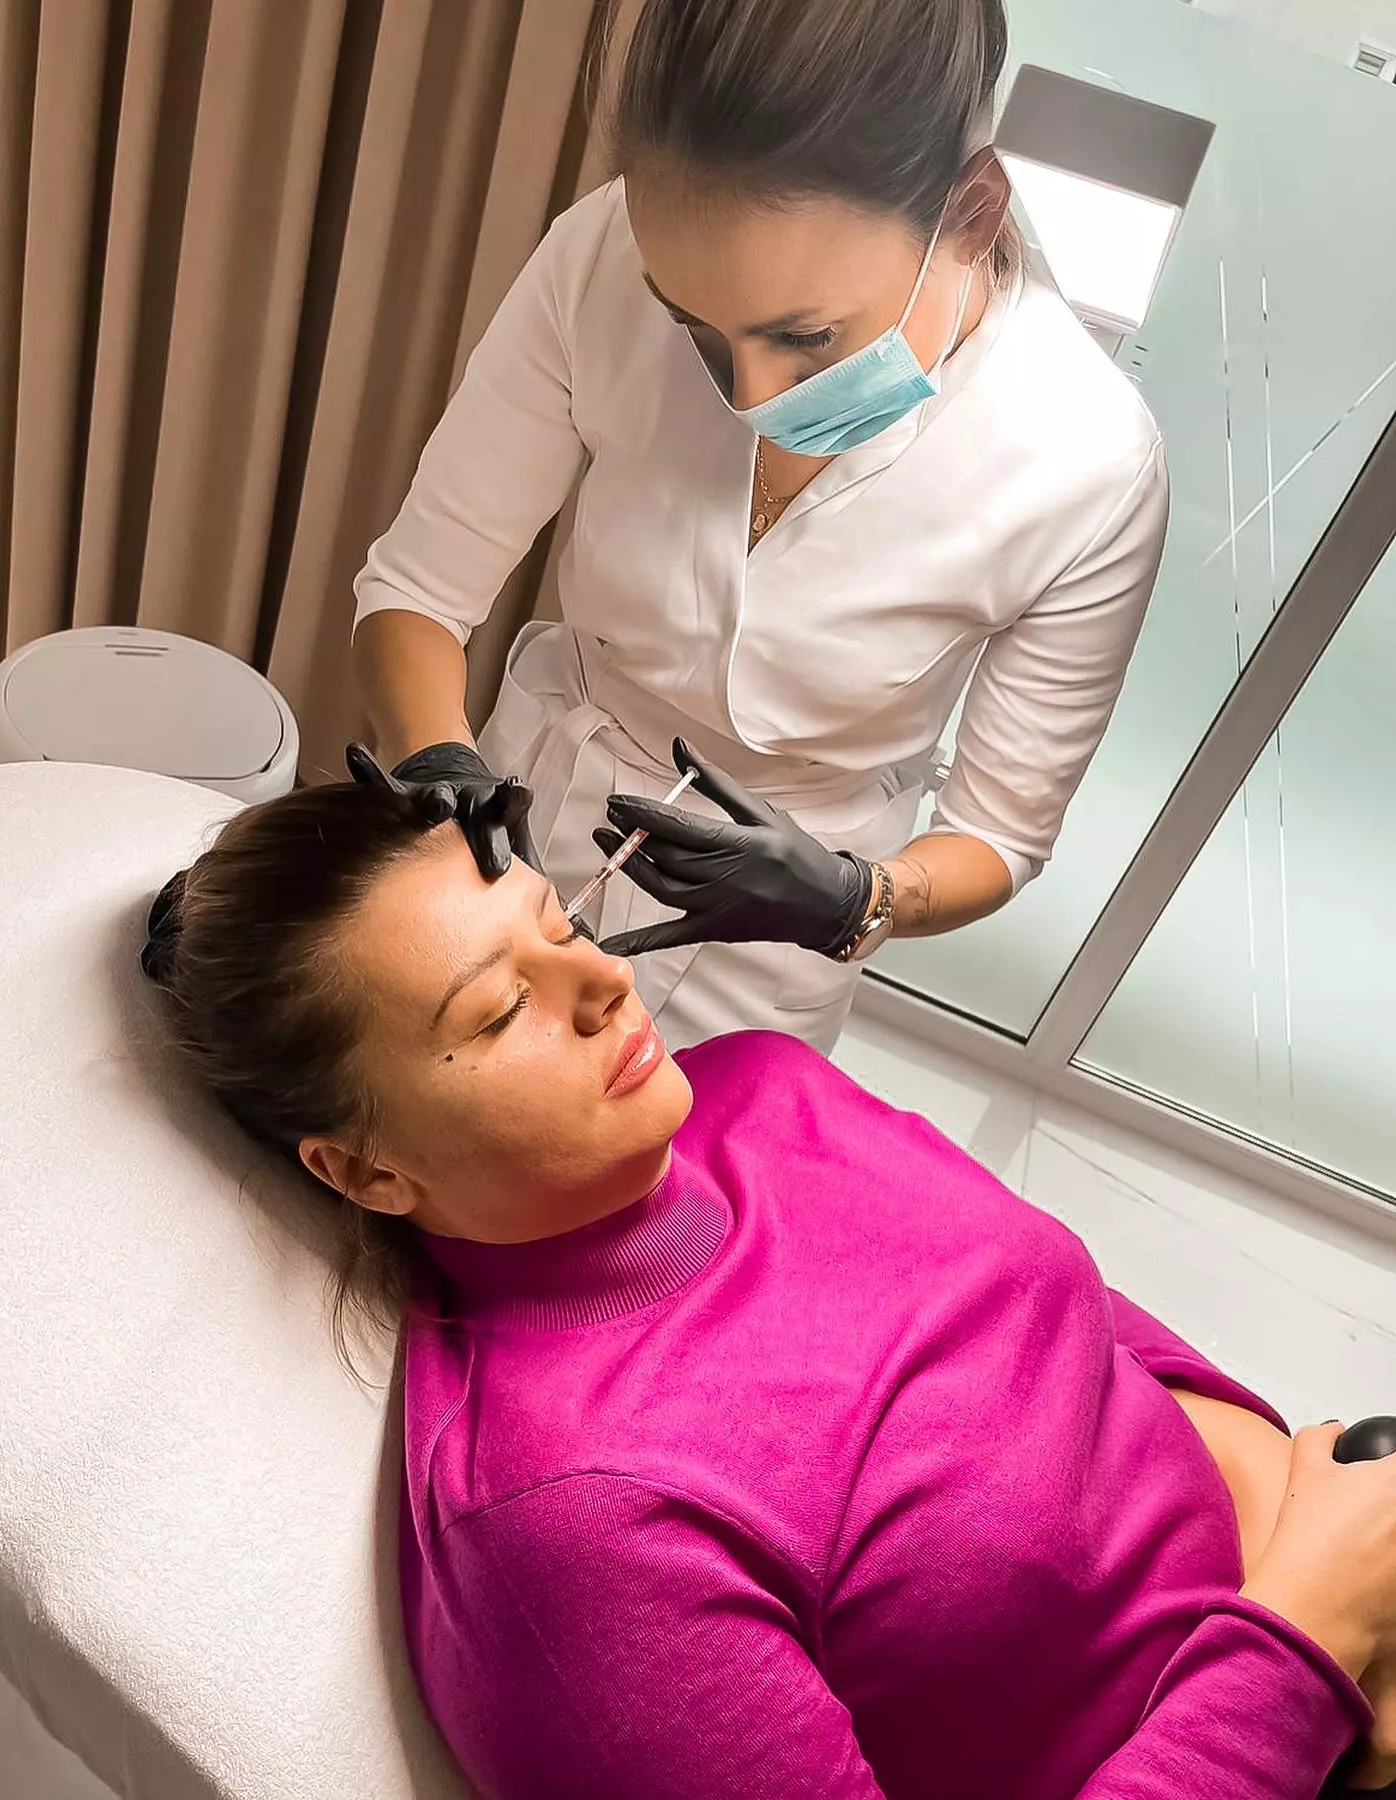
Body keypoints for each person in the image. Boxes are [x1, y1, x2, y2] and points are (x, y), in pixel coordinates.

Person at [140, 767, 1396, 1800]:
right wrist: (1309, 1645)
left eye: (561, 926)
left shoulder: (761, 1084)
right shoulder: (575, 1533)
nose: (606, 982)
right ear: (367, 1169)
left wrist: (1300, 1480)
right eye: (505, 1006)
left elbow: (1060, 1307)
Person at [352, 0, 1171, 1056]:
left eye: (808, 336)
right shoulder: (602, 254)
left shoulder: (1090, 462)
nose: (748, 395)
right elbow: (418, 592)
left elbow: (997, 838)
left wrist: (850, 897)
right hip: (524, 824)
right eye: (691, 324)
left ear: (972, 214)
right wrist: (436, 761)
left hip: (770, 949)